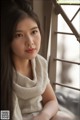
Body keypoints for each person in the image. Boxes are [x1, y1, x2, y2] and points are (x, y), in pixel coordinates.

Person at [1, 0, 74, 120]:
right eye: (19, 35)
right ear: (7, 40)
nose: (30, 42)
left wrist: (44, 115)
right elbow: (4, 114)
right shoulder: (5, 72)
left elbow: (51, 100)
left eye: (34, 32)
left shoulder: (39, 63)